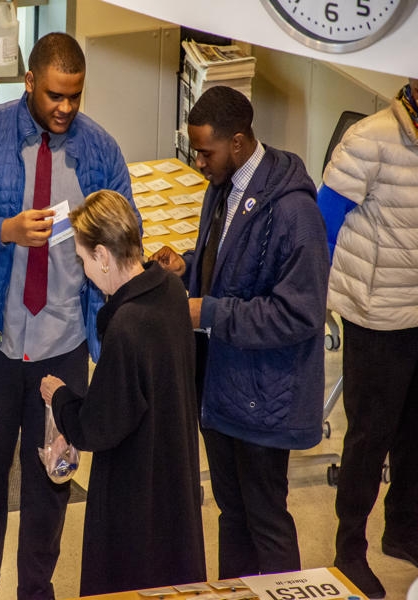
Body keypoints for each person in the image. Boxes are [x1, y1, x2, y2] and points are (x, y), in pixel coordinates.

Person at [0, 32, 137, 599]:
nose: (65, 107)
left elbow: (127, 234)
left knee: (53, 478)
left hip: (64, 344)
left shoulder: (100, 150)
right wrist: (5, 230)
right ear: (29, 82)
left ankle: (36, 590)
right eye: (54, 95)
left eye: (75, 96)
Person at [152, 85, 329, 579]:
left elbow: (299, 315)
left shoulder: (295, 213)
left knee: (266, 521)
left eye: (205, 152)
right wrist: (185, 268)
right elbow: (225, 267)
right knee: (232, 515)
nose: (198, 162)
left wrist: (206, 313)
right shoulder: (222, 187)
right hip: (221, 387)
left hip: (264, 396)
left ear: (237, 142)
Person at [39, 190, 205, 596]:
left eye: (82, 259)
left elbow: (98, 426)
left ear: (102, 255)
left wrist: (59, 398)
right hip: (174, 469)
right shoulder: (169, 291)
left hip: (136, 485)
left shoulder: (128, 325)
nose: (84, 270)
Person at [318, 78, 418, 600]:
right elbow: (323, 222)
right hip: (378, 315)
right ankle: (349, 550)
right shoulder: (370, 138)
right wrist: (315, 299)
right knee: (369, 437)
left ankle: (402, 530)